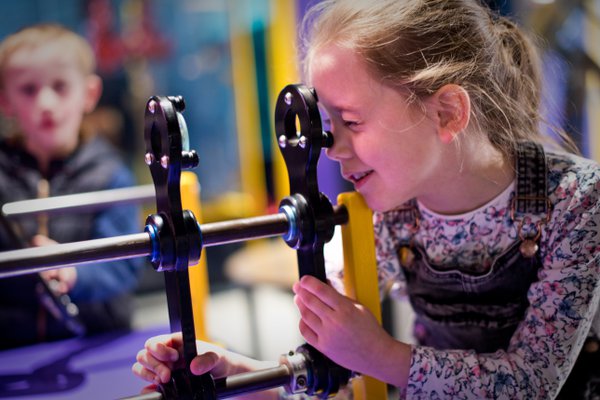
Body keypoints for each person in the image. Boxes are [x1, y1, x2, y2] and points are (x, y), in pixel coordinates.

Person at [132, 1, 600, 398]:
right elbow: (336, 360)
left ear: (448, 111)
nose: (332, 150)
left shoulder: (577, 201)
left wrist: (380, 354)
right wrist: (249, 374)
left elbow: (534, 384)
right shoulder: (390, 211)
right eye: (330, 129)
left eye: (351, 122)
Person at [0, 23, 145, 349]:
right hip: (12, 350)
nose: (46, 102)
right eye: (28, 89)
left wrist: (73, 273)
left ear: (89, 94)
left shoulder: (111, 175)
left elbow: (124, 265)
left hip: (98, 342)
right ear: (5, 100)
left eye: (60, 86)